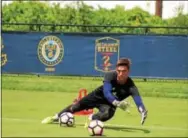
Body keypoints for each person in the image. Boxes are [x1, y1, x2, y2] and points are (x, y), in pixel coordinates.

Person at [41, 58, 148, 125]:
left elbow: (138, 101)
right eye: (119, 71)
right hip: (97, 96)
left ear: (128, 71)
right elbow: (107, 92)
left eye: (124, 71)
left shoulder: (131, 86)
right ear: (116, 70)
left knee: (107, 114)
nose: (120, 74)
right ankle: (55, 117)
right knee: (75, 107)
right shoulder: (110, 75)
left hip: (108, 104)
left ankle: (92, 118)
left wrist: (142, 110)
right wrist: (117, 103)